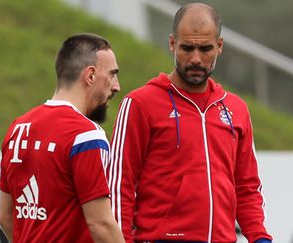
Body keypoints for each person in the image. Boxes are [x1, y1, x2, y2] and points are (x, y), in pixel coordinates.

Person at [110, 3, 272, 243]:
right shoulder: (139, 104)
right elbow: (118, 188)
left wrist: (260, 237)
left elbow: (247, 187)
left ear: (219, 46)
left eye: (205, 48)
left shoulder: (236, 108)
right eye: (187, 48)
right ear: (172, 44)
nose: (196, 58)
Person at [0, 33, 125, 243]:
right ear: (90, 75)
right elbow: (101, 225)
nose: (116, 86)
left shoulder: (18, 128)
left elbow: (5, 216)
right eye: (112, 75)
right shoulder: (86, 135)